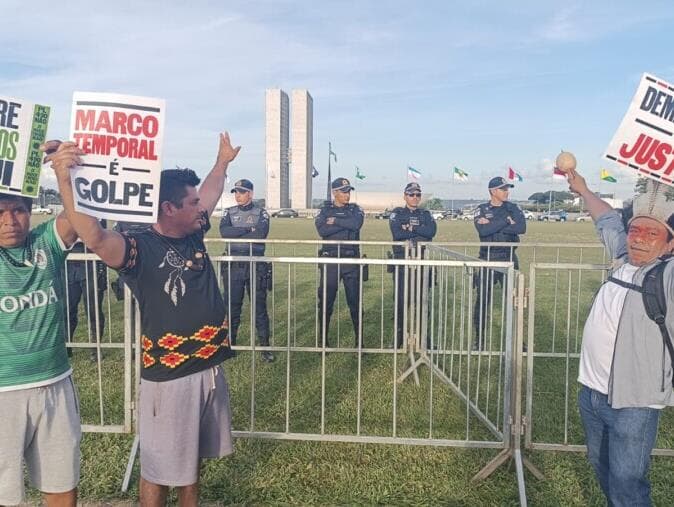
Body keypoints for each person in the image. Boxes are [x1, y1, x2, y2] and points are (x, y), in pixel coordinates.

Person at [45, 132, 241, 507]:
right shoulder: (137, 246)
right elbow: (94, 237)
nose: (201, 208)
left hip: (209, 369)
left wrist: (222, 163)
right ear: (168, 208)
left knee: (191, 464)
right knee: (159, 467)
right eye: (192, 203)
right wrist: (65, 179)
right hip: (170, 378)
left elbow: (211, 192)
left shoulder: (192, 231)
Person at [568, 168, 674, 506]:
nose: (639, 238)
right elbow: (607, 220)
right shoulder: (622, 258)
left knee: (627, 482)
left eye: (652, 234)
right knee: (601, 465)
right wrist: (584, 190)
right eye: (635, 230)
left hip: (634, 401)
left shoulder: (666, 275)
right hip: (593, 392)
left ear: (670, 244)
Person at [0, 192, 80, 506]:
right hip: (4, 392)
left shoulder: (44, 243)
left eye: (18, 210)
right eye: (0, 212)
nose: (10, 221)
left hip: (54, 383)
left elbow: (77, 215)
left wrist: (65, 175)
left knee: (62, 483)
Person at [219, 178, 273, 362]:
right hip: (234, 264)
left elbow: (260, 234)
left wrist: (239, 230)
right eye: (236, 192)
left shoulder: (261, 212)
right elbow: (225, 232)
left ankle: (265, 348)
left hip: (255, 265)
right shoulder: (229, 212)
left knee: (259, 309)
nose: (238, 195)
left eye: (241, 192)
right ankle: (230, 346)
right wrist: (249, 229)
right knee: (232, 308)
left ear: (250, 193)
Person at [473, 176, 526, 349]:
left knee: (514, 301)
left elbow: (521, 228)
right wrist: (505, 221)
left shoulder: (513, 207)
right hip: (488, 258)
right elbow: (483, 230)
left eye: (507, 189)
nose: (506, 192)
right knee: (483, 300)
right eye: (503, 189)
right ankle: (479, 340)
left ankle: (518, 341)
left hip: (509, 257)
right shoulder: (482, 209)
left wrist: (492, 224)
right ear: (493, 191)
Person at [315, 177, 364, 347]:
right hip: (330, 261)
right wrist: (345, 224)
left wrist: (335, 221)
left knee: (355, 302)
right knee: (326, 302)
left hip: (351, 260)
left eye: (348, 191)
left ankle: (359, 342)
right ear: (334, 193)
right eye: (343, 192)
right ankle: (323, 341)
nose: (347, 194)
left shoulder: (356, 209)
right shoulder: (324, 210)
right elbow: (322, 230)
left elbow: (356, 224)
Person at [388, 182, 437, 348]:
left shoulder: (425, 213)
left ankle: (423, 338)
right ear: (405, 196)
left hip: (422, 261)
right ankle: (399, 336)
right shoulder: (397, 213)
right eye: (411, 194)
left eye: (418, 194)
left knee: (423, 301)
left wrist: (410, 228)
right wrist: (420, 229)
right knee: (401, 301)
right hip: (403, 262)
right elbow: (397, 233)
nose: (415, 197)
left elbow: (431, 232)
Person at [65, 219, 108, 360]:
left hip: (91, 262)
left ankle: (95, 348)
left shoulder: (95, 211)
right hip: (69, 263)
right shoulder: (66, 213)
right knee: (67, 309)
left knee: (93, 309)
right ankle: (66, 346)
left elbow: (99, 234)